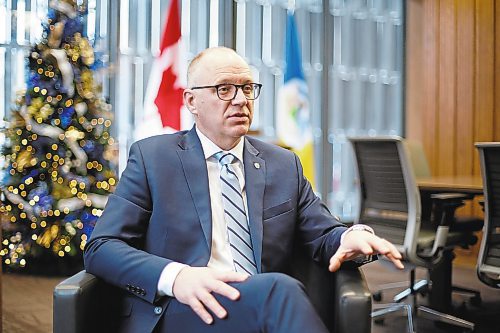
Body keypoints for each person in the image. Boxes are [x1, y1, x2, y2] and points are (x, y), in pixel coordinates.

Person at [84, 46, 403, 333]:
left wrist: (352, 236)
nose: (240, 99)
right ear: (192, 101)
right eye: (224, 89)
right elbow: (102, 247)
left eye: (247, 88)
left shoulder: (282, 164)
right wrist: (177, 277)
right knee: (281, 290)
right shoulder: (153, 158)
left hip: (259, 305)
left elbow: (322, 231)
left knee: (276, 292)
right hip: (185, 308)